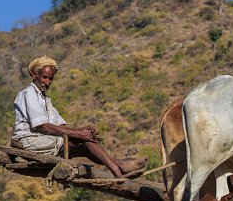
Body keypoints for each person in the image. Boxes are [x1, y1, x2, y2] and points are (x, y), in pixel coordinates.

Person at [13, 56, 142, 179]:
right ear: (35, 75)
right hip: (30, 141)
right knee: (84, 139)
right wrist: (78, 134)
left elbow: (60, 126)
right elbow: (42, 125)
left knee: (86, 144)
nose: (47, 82)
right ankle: (118, 170)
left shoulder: (45, 100)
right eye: (44, 77)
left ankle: (119, 166)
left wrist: (82, 131)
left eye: (50, 79)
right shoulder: (28, 94)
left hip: (44, 141)